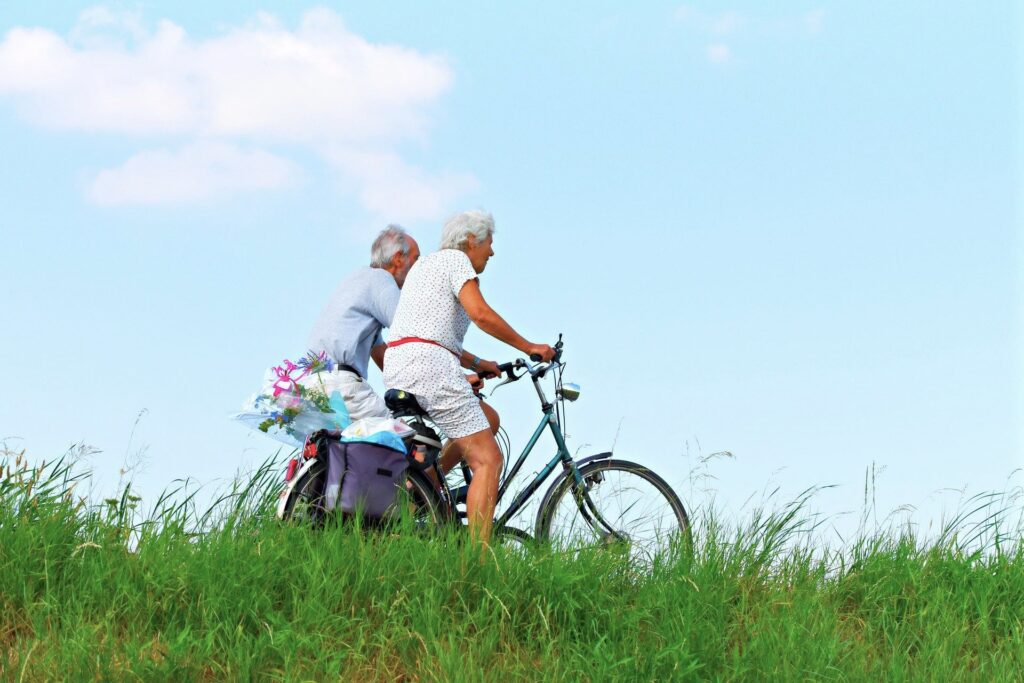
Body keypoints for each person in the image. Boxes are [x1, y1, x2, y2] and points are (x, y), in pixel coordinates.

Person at [383, 210, 555, 545]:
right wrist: (529, 346)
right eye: (490, 243)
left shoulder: (426, 266)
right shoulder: (457, 261)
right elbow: (480, 314)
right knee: (488, 459)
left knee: (487, 418)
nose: (491, 252)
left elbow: (428, 331)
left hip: (403, 364)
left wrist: (478, 363)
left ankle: (428, 488)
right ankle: (476, 564)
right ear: (472, 240)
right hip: (429, 366)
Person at [302, 225, 420, 420]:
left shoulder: (358, 279)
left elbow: (382, 355)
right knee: (403, 439)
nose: (419, 268)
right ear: (399, 258)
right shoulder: (381, 280)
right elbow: (413, 332)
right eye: (416, 259)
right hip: (341, 386)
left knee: (345, 448)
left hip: (314, 386)